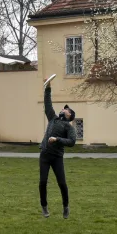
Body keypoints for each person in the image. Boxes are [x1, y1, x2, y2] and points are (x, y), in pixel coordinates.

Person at [39, 77, 77, 219]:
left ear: (70, 116)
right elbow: (47, 103)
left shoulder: (69, 126)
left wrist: (57, 139)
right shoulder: (53, 118)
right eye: (64, 108)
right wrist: (48, 87)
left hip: (57, 157)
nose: (64, 109)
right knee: (42, 182)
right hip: (44, 154)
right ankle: (44, 207)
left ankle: (66, 207)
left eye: (66, 109)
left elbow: (72, 141)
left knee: (61, 183)